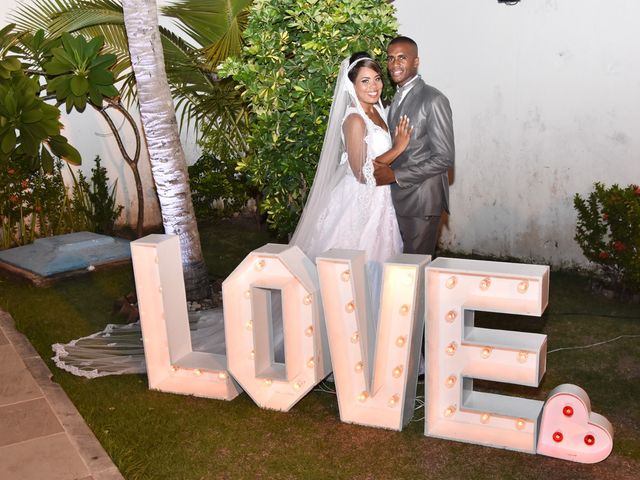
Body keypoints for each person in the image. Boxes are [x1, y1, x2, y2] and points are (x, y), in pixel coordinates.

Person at [53, 53, 412, 378]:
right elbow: (359, 171)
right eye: (365, 81)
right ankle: (337, 348)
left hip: (379, 206)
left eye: (376, 79)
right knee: (350, 272)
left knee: (377, 266)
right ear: (351, 86)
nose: (374, 86)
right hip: (357, 205)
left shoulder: (377, 111)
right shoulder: (353, 120)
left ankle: (374, 344)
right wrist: (398, 151)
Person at [374, 36, 455, 256]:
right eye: (390, 58)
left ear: (416, 61)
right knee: (400, 272)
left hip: (421, 202)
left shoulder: (434, 100)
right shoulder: (395, 98)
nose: (395, 64)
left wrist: (395, 176)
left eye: (402, 58)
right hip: (396, 200)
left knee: (414, 270)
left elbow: (444, 158)